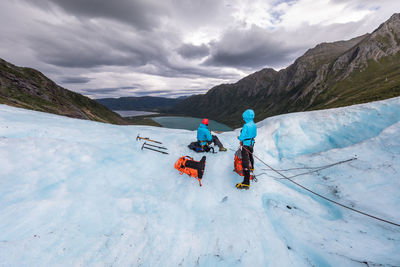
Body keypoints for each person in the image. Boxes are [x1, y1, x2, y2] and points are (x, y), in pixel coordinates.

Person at [236, 109, 257, 189]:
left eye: (244, 117)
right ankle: (252, 168)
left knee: (245, 163)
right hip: (252, 143)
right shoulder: (254, 124)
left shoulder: (246, 125)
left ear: (246, 117)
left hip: (246, 145)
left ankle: (246, 182)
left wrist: (239, 137)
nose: (243, 118)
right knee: (251, 156)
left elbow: (242, 137)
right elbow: (254, 134)